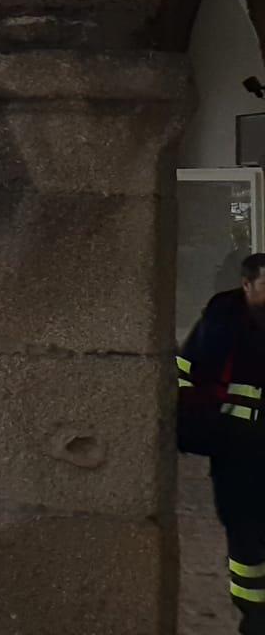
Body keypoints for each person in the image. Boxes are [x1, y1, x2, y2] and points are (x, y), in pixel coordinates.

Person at [180, 251, 265, 633]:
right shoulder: (222, 318)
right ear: (247, 284)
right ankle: (254, 615)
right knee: (243, 528)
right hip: (237, 444)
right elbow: (187, 370)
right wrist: (195, 424)